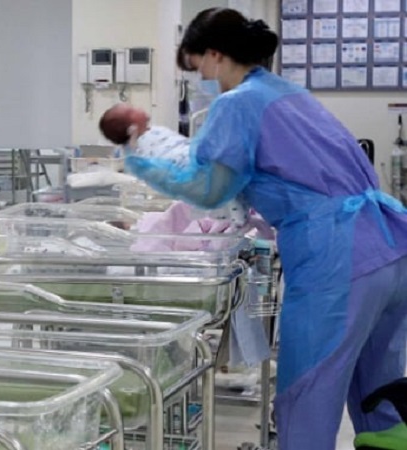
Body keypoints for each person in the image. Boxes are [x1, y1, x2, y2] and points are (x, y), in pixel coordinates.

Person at [101, 8, 407, 450]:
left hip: (336, 255)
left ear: (214, 55)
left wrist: (139, 160)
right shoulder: (288, 93)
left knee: (309, 389)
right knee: (378, 382)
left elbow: (208, 188)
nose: (201, 80)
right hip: (389, 242)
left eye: (197, 68)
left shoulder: (237, 103)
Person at [99, 104, 250, 231]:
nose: (137, 108)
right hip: (187, 165)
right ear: (131, 128)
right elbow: (155, 161)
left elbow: (181, 143)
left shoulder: (153, 131)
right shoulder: (137, 149)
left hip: (191, 155)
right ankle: (237, 221)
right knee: (227, 170)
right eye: (131, 111)